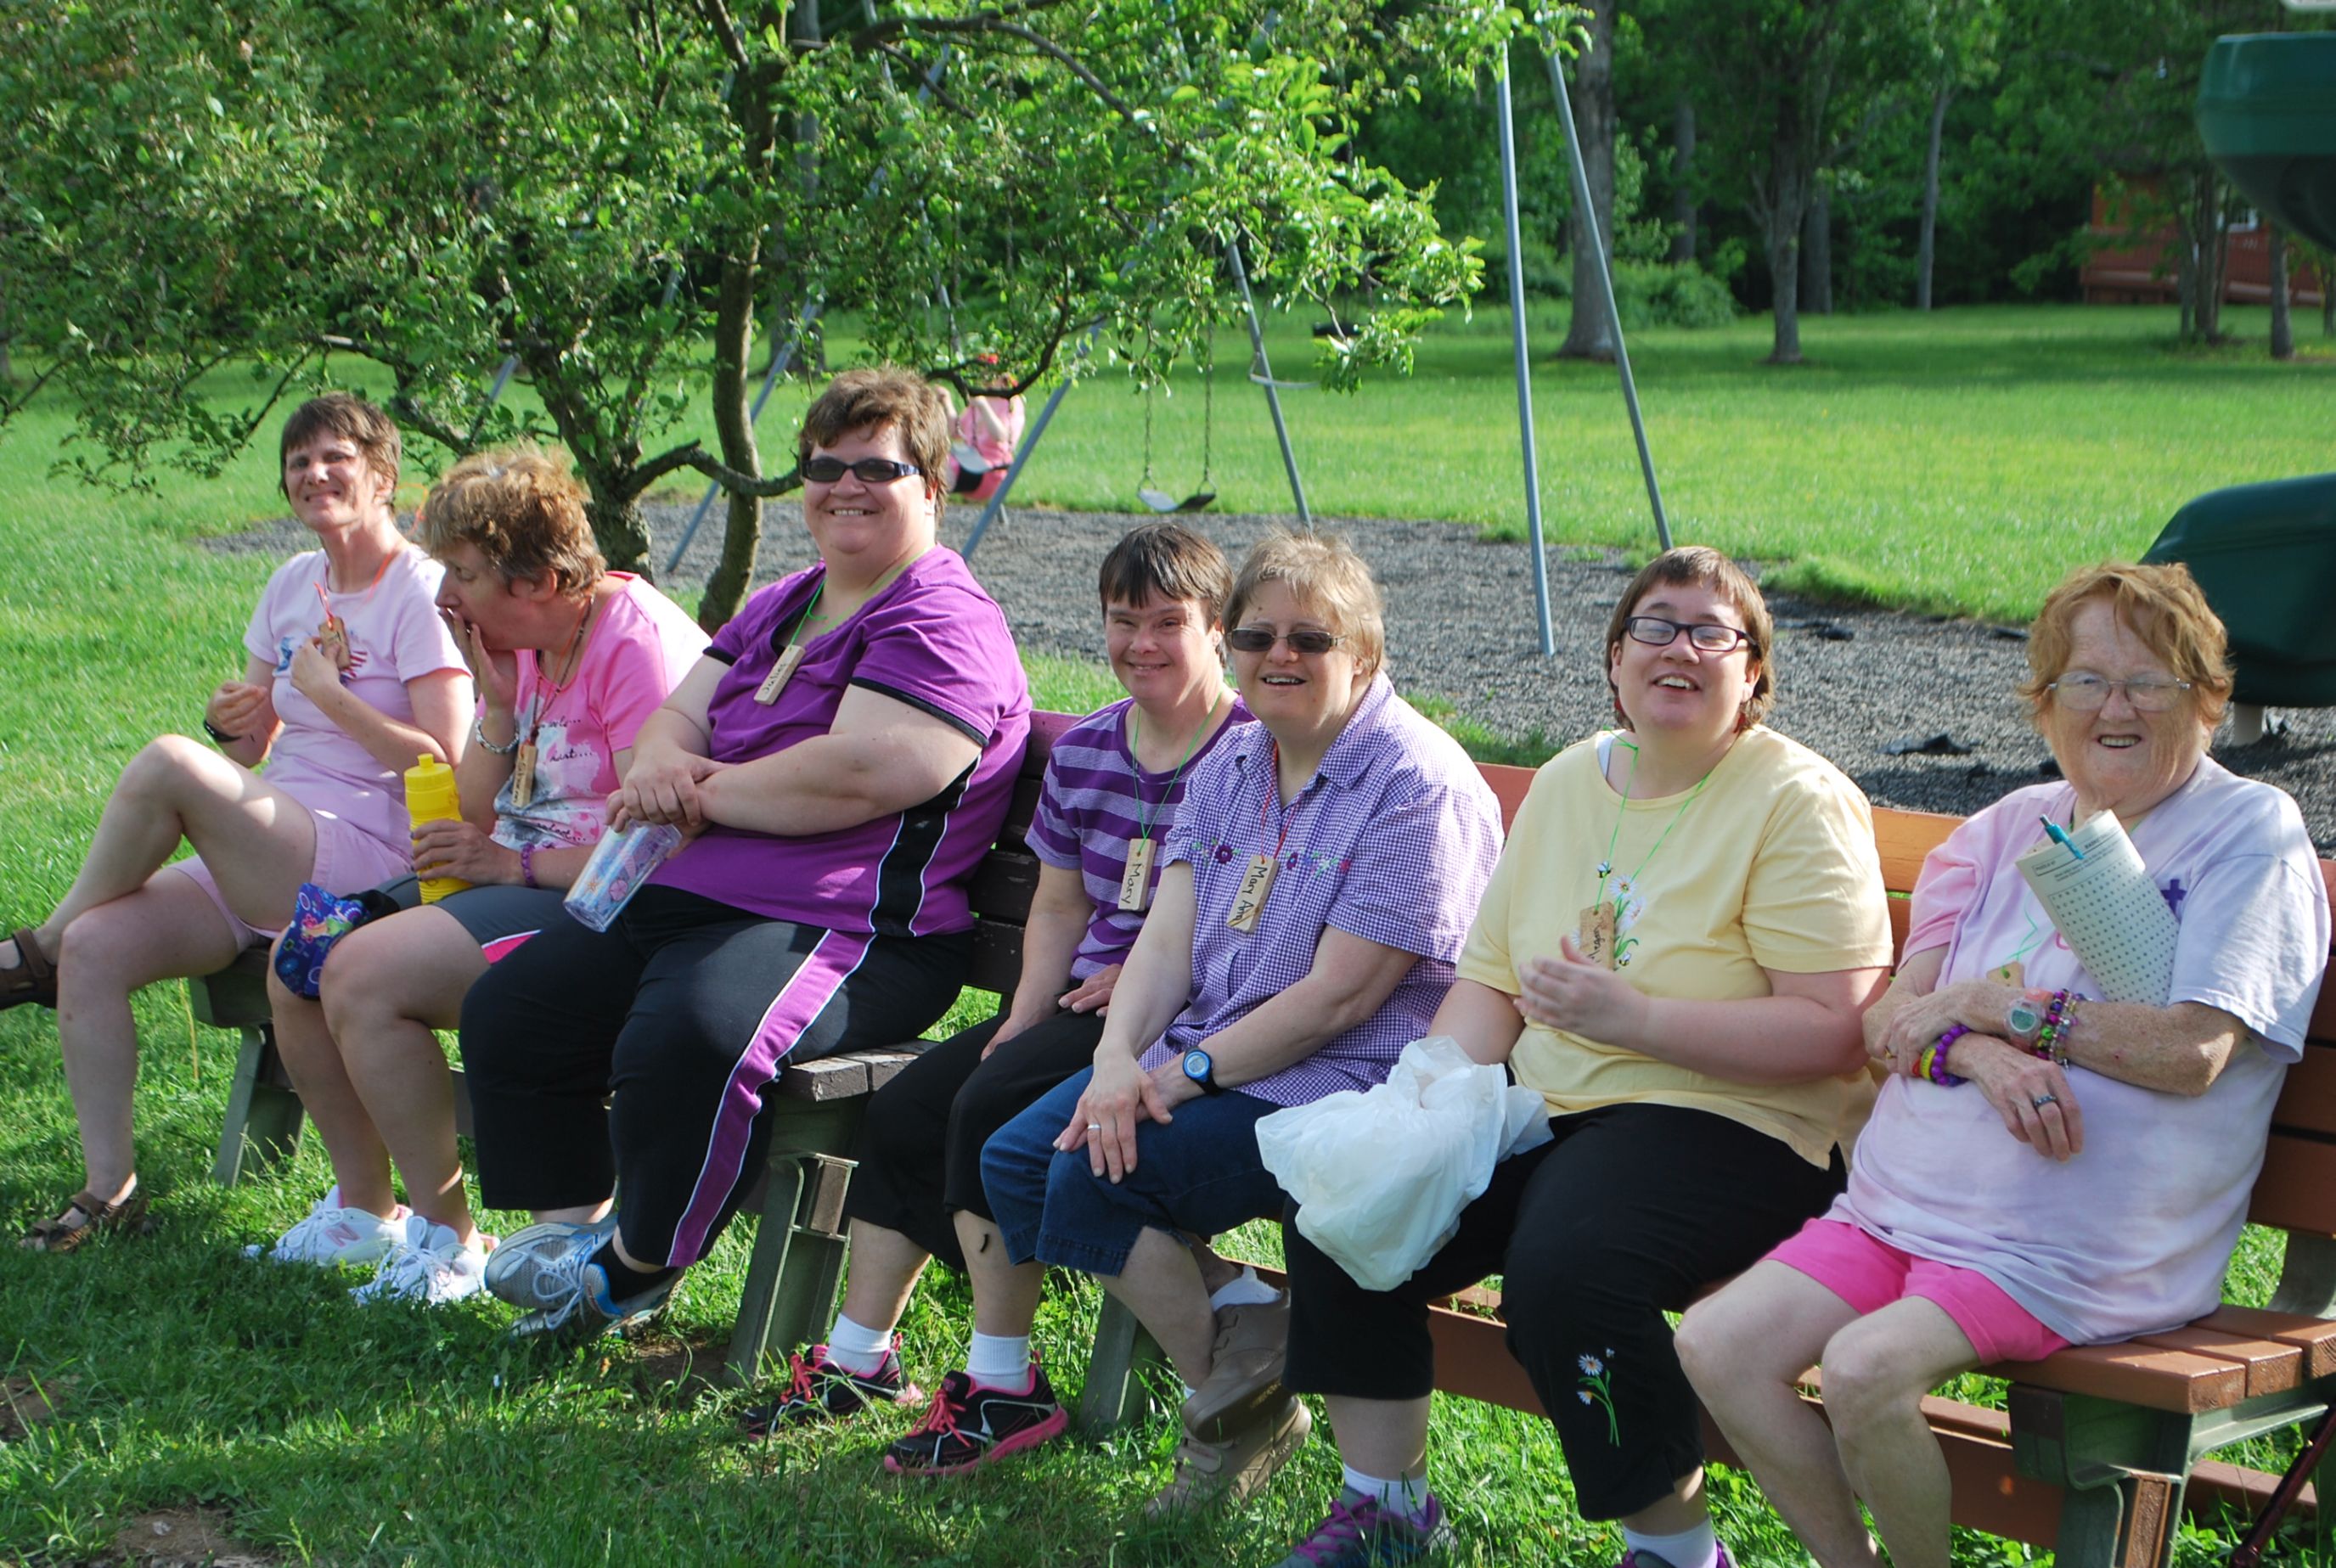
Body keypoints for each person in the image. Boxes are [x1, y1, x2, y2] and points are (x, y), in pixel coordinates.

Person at [1676, 561, 2331, 1568]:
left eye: (2148, 681)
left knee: (1861, 1369)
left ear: (2208, 699)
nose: (2114, 706)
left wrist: (1998, 1005)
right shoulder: (2002, 831)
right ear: (2046, 704)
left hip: (2070, 1248)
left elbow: (2193, 1051)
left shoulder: (2248, 834)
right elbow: (1894, 1022)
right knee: (1716, 1344)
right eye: (2084, 680)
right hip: (1899, 1210)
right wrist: (1979, 1050)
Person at [1273, 545, 1895, 1568]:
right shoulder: (1569, 780)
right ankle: (1385, 1507)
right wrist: (1417, 1109)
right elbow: (1493, 985)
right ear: (1614, 659)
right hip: (1555, 1108)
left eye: (1713, 631)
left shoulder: (1796, 798)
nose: (1680, 646)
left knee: (1566, 1265)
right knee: (1345, 1196)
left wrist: (1635, 1017)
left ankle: (1677, 1551)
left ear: (1755, 677)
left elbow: (1833, 1027)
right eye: (1654, 625)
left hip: (1740, 1126)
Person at [454, 367, 1032, 1340]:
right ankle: (573, 1247)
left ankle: (634, 1268)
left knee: (692, 1034)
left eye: (876, 467)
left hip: (849, 926)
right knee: (515, 1007)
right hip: (695, 894)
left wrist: (695, 788)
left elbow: (860, 774)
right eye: (823, 464)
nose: (844, 484)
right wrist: (668, 763)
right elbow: (675, 717)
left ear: (932, 485)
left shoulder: (941, 618)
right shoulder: (785, 602)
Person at [943, 532, 1504, 1510]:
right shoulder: (1239, 757)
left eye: (1310, 638)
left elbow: (1342, 998)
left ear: (1364, 653)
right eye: (1256, 635)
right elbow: (1164, 941)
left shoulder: (1417, 783)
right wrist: (1119, 1058)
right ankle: (1247, 1360)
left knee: (1090, 1173)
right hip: (1214, 1055)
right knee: (1020, 1158)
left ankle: (1224, 1416)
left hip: (1342, 1080)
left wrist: (1168, 1080)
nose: (1278, 656)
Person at [746, 521, 1249, 1433]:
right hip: (1077, 1004)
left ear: (1218, 628)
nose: (1141, 643)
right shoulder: (1094, 750)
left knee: (983, 1112)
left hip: (1190, 1016)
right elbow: (1057, 908)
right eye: (1122, 619)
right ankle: (861, 1354)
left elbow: (1255, 914)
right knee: (906, 1107)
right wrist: (1020, 1014)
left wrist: (1137, 983)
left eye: (1167, 621)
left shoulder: (1252, 753)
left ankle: (1002, 1381)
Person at [12, 395, 470, 1252]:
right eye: (299, 462)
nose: (315, 474)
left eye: (336, 457)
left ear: (383, 475)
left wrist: (328, 699)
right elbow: (255, 749)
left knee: (169, 761)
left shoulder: (420, 587)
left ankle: (33, 945)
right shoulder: (292, 583)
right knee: (98, 946)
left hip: (368, 852)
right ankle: (110, 1187)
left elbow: (440, 761)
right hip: (276, 832)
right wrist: (237, 724)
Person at [249, 447, 708, 1302]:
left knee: (361, 971)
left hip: (606, 907)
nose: (443, 593)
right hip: (519, 875)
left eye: (462, 571)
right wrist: (499, 707)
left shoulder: (633, 644)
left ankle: (449, 1240)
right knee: (300, 955)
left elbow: (661, 844)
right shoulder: (528, 642)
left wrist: (510, 860)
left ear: (533, 578)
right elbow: (469, 805)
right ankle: (366, 1210)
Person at [943, 359, 1026, 503]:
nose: (984, 381)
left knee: (937, 471)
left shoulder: (1011, 404)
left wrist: (983, 406)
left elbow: (1001, 436)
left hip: (990, 471)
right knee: (932, 461)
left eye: (989, 376)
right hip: (968, 463)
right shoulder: (980, 400)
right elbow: (956, 433)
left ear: (1002, 377)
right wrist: (947, 402)